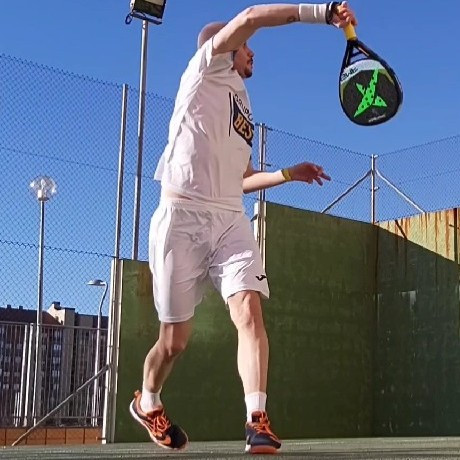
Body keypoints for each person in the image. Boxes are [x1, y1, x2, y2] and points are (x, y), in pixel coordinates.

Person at [129, 2, 357, 455]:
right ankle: (147, 400)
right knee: (174, 342)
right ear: (228, 47)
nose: (252, 52)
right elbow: (251, 15)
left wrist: (287, 174)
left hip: (229, 218)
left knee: (249, 310)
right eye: (246, 47)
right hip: (181, 217)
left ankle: (257, 420)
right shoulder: (206, 67)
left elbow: (243, 178)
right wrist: (322, 11)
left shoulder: (242, 103)